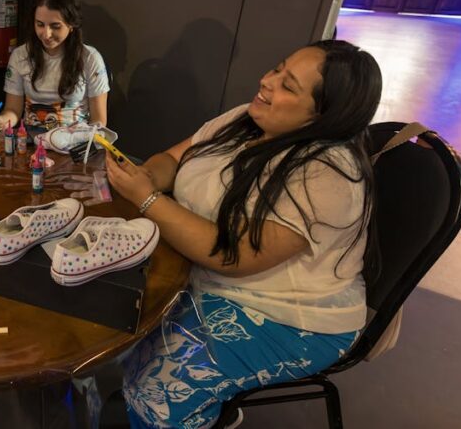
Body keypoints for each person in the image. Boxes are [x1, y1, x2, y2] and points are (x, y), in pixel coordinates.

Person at [106, 40, 382, 428]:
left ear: (324, 115)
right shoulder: (246, 119)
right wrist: (147, 176)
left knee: (156, 389)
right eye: (276, 69)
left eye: (288, 87)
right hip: (206, 273)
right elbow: (172, 158)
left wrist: (147, 198)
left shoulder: (327, 173)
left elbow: (232, 255)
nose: (266, 82)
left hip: (287, 314)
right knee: (113, 323)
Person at [0, 0, 109, 132]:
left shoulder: (90, 59)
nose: (46, 34)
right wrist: (2, 120)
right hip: (31, 142)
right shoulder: (20, 56)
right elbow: (13, 110)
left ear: (71, 25)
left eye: (55, 26)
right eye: (40, 24)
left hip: (74, 144)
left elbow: (99, 121)